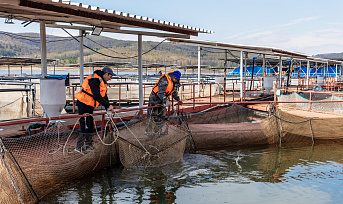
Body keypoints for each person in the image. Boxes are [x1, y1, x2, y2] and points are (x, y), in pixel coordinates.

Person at [74, 67, 115, 153]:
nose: (110, 79)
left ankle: (89, 145)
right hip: (83, 104)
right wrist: (107, 105)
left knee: (90, 125)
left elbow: (104, 96)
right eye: (110, 76)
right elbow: (97, 95)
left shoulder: (102, 82)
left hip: (89, 105)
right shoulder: (94, 80)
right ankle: (79, 147)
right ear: (106, 74)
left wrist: (108, 106)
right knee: (84, 126)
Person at [146, 70, 182, 136]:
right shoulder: (165, 80)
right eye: (174, 78)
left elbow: (174, 93)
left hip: (163, 100)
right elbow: (160, 93)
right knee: (151, 115)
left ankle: (158, 131)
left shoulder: (175, 83)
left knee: (162, 115)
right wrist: (166, 100)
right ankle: (148, 132)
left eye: (177, 79)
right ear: (173, 76)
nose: (175, 79)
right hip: (154, 98)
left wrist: (178, 100)